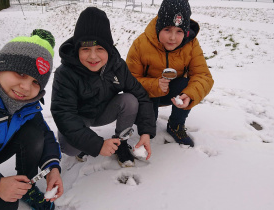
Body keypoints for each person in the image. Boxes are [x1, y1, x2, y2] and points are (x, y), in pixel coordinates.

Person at [51, 7, 156, 168]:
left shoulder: (118, 66)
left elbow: (141, 95)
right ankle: (84, 144)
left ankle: (120, 144)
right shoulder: (64, 74)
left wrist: (146, 132)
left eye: (100, 49)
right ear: (77, 49)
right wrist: (96, 144)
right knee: (69, 148)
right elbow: (64, 114)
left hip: (105, 111)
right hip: (80, 118)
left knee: (130, 100)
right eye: (86, 49)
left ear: (108, 49)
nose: (93, 56)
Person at [0, 29, 63, 210]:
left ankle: (27, 185)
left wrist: (52, 168)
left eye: (35, 82)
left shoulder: (23, 103)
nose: (25, 87)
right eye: (21, 73)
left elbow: (43, 132)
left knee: (34, 132)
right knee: (4, 204)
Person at [126, 0, 214, 147]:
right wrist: (154, 85)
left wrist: (190, 95)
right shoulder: (141, 44)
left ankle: (176, 125)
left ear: (185, 31)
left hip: (173, 93)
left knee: (186, 84)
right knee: (149, 123)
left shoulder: (191, 44)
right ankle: (147, 125)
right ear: (158, 27)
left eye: (179, 31)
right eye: (167, 29)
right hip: (148, 94)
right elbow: (129, 80)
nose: (173, 37)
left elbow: (203, 76)